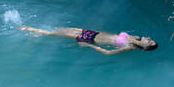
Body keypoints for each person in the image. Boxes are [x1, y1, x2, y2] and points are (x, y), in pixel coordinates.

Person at [19, 24, 157, 54]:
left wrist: (88, 45)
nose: (149, 38)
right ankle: (42, 31)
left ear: (145, 47)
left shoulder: (129, 46)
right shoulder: (135, 37)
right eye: (150, 39)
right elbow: (114, 35)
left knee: (58, 34)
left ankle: (34, 31)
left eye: (149, 42)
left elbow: (107, 52)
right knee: (62, 28)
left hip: (92, 40)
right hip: (94, 33)